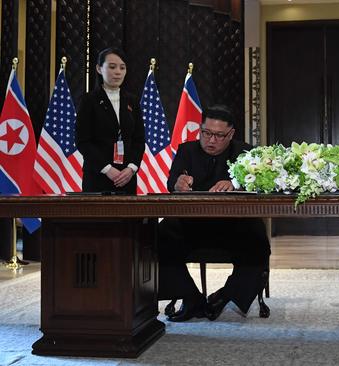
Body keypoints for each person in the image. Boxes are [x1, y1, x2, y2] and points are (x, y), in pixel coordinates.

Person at [158, 104, 271, 322]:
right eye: (206, 133)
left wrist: (235, 183)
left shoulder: (245, 152)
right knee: (157, 236)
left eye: (219, 135)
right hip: (192, 225)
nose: (211, 140)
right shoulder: (186, 150)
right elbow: (171, 181)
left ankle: (224, 296)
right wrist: (177, 183)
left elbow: (260, 186)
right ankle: (190, 298)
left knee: (258, 240)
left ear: (231, 134)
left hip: (233, 227)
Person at [75, 47, 145, 193]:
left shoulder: (132, 100)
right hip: (97, 176)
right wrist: (107, 169)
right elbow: (83, 141)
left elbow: (139, 140)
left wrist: (131, 168)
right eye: (112, 67)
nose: (118, 72)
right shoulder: (89, 100)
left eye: (122, 67)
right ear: (99, 69)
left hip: (126, 178)